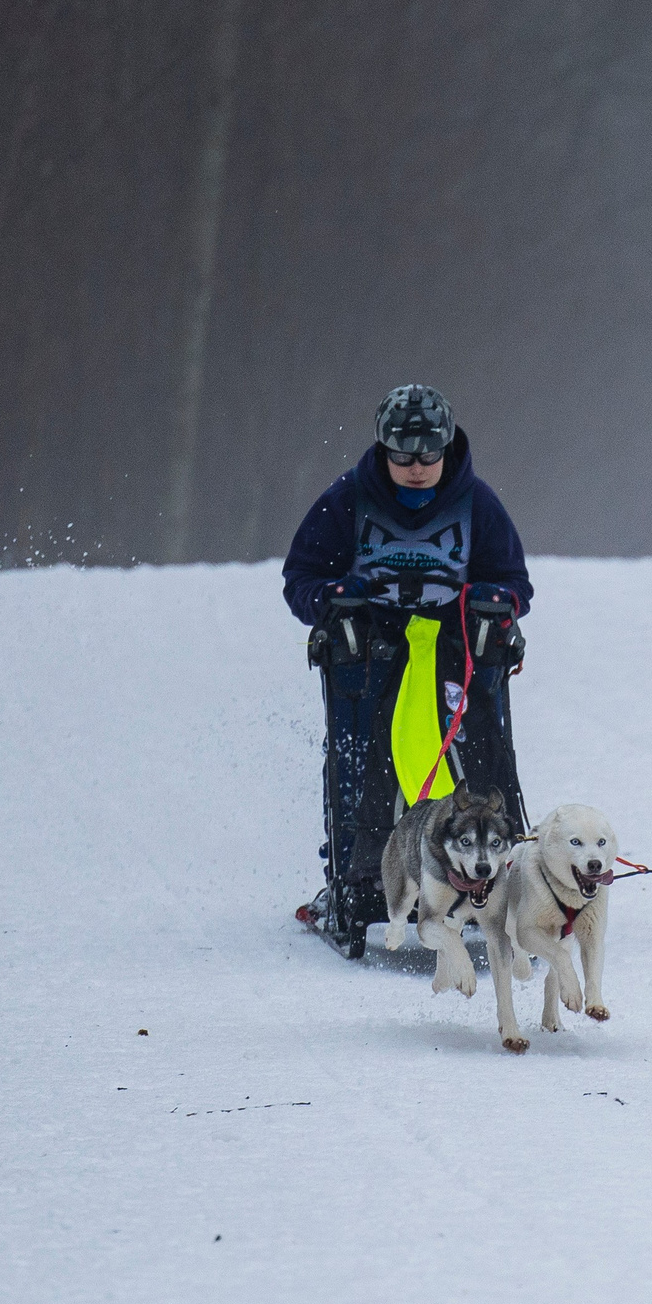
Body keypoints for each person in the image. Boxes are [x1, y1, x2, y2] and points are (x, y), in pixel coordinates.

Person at [284, 384, 533, 954]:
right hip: (370, 653)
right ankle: (359, 875)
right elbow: (300, 579)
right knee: (365, 759)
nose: (416, 467)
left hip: (456, 652)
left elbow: (516, 582)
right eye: (402, 455)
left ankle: (499, 870)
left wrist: (495, 602)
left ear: (446, 448)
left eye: (427, 455)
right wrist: (331, 598)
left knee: (476, 757)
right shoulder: (348, 499)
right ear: (383, 450)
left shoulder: (478, 504)